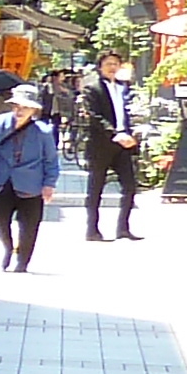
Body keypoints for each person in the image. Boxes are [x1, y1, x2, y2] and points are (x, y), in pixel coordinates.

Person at [0, 84, 61, 271]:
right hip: (2, 179)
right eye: (16, 106)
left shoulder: (43, 131)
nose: (19, 110)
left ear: (34, 109)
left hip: (31, 182)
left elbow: (51, 160)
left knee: (30, 225)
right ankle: (8, 246)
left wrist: (49, 184)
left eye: (25, 107)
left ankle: (22, 262)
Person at [78, 50, 143, 241]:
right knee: (95, 188)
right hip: (102, 144)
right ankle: (92, 229)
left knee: (130, 186)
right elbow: (94, 117)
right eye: (108, 64)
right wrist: (115, 134)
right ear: (100, 67)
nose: (112, 67)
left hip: (124, 144)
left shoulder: (125, 88)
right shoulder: (92, 89)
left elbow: (129, 114)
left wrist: (131, 134)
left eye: (115, 63)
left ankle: (123, 228)